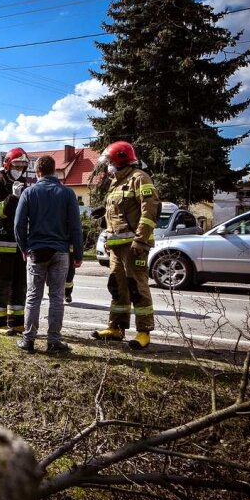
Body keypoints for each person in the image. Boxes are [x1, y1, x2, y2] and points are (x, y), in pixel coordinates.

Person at [90, 141, 159, 349]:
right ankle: (116, 327)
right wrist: (108, 235)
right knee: (117, 287)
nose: (108, 165)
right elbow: (116, 215)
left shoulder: (140, 179)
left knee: (137, 287)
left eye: (110, 161)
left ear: (120, 160)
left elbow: (149, 212)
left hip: (134, 246)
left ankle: (143, 332)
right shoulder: (116, 182)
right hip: (116, 246)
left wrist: (140, 239)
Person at [14, 155, 83, 354]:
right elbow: (76, 227)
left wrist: (24, 247)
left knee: (33, 297)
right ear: (54, 170)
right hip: (61, 252)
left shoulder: (29, 192)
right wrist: (77, 254)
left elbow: (18, 225)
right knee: (56, 297)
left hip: (36, 251)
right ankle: (54, 341)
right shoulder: (67, 193)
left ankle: (28, 340)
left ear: (37, 172)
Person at [0, 148, 29, 335]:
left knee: (20, 284)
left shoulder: (24, 185)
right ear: (7, 165)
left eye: (22, 166)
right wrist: (12, 197)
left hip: (20, 244)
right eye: (16, 165)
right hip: (2, 243)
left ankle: (16, 321)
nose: (19, 169)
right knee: (1, 284)